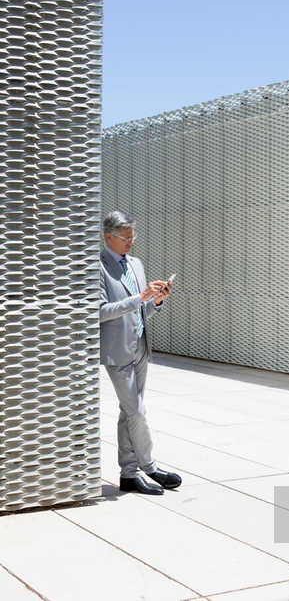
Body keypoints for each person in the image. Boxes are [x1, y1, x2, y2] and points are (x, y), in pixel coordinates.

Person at [100, 210, 182, 495]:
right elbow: (99, 312)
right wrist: (140, 297)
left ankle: (129, 475)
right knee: (137, 410)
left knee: (128, 413)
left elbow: (141, 310)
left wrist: (156, 301)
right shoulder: (97, 266)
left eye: (133, 237)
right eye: (126, 237)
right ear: (108, 236)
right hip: (117, 351)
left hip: (141, 347)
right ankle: (150, 467)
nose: (131, 242)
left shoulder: (136, 264)